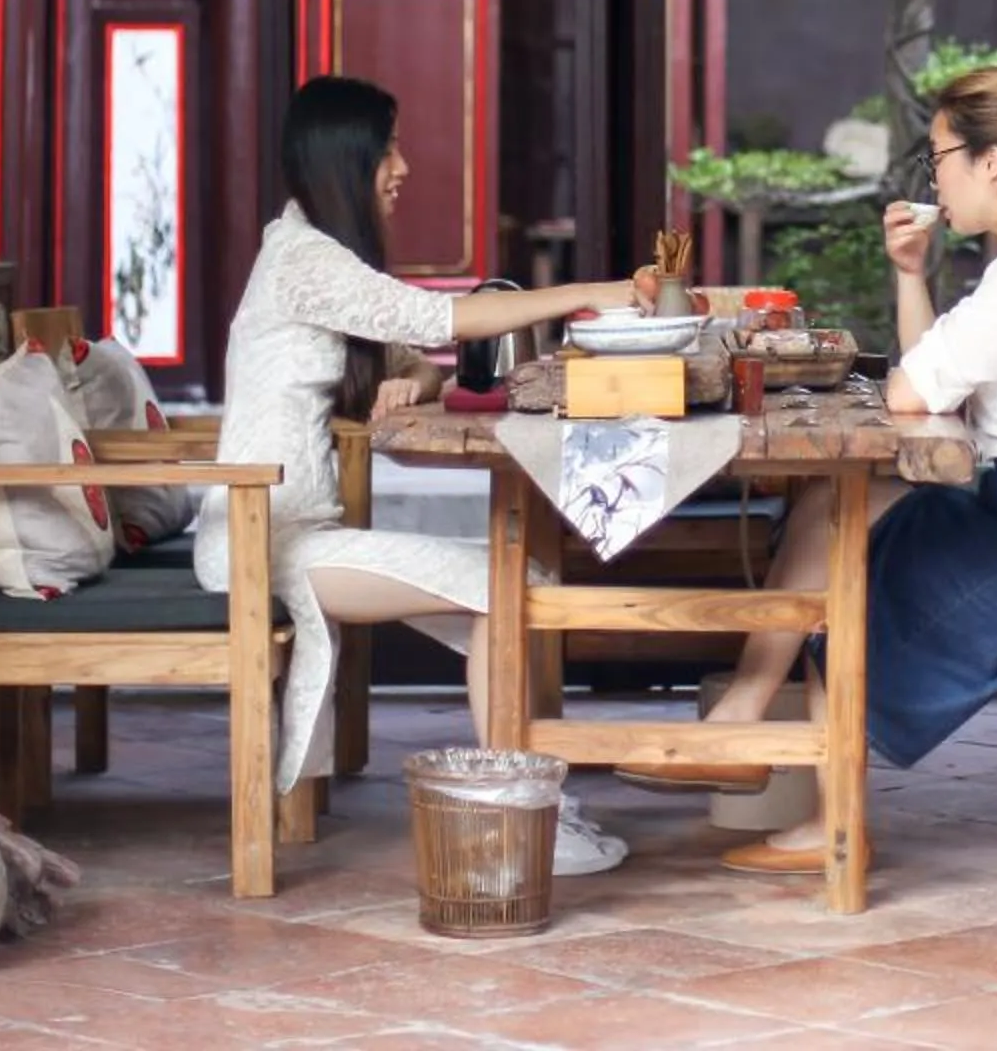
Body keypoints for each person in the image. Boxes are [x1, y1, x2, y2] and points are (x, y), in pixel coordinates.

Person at [621, 65, 997, 873]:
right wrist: (912, 272)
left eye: (941, 157)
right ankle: (759, 739)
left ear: (991, 162)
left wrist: (914, 342)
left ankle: (804, 793)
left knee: (856, 571)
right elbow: (930, 388)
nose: (936, 179)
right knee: (831, 512)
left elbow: (910, 389)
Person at [198, 73, 663, 875]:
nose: (402, 166)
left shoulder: (317, 256)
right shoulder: (303, 259)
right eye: (389, 148)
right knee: (508, 585)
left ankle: (529, 807)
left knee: (510, 585)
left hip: (299, 531)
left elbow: (419, 356)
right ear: (347, 159)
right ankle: (519, 813)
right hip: (260, 538)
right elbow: (441, 320)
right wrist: (602, 293)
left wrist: (413, 382)